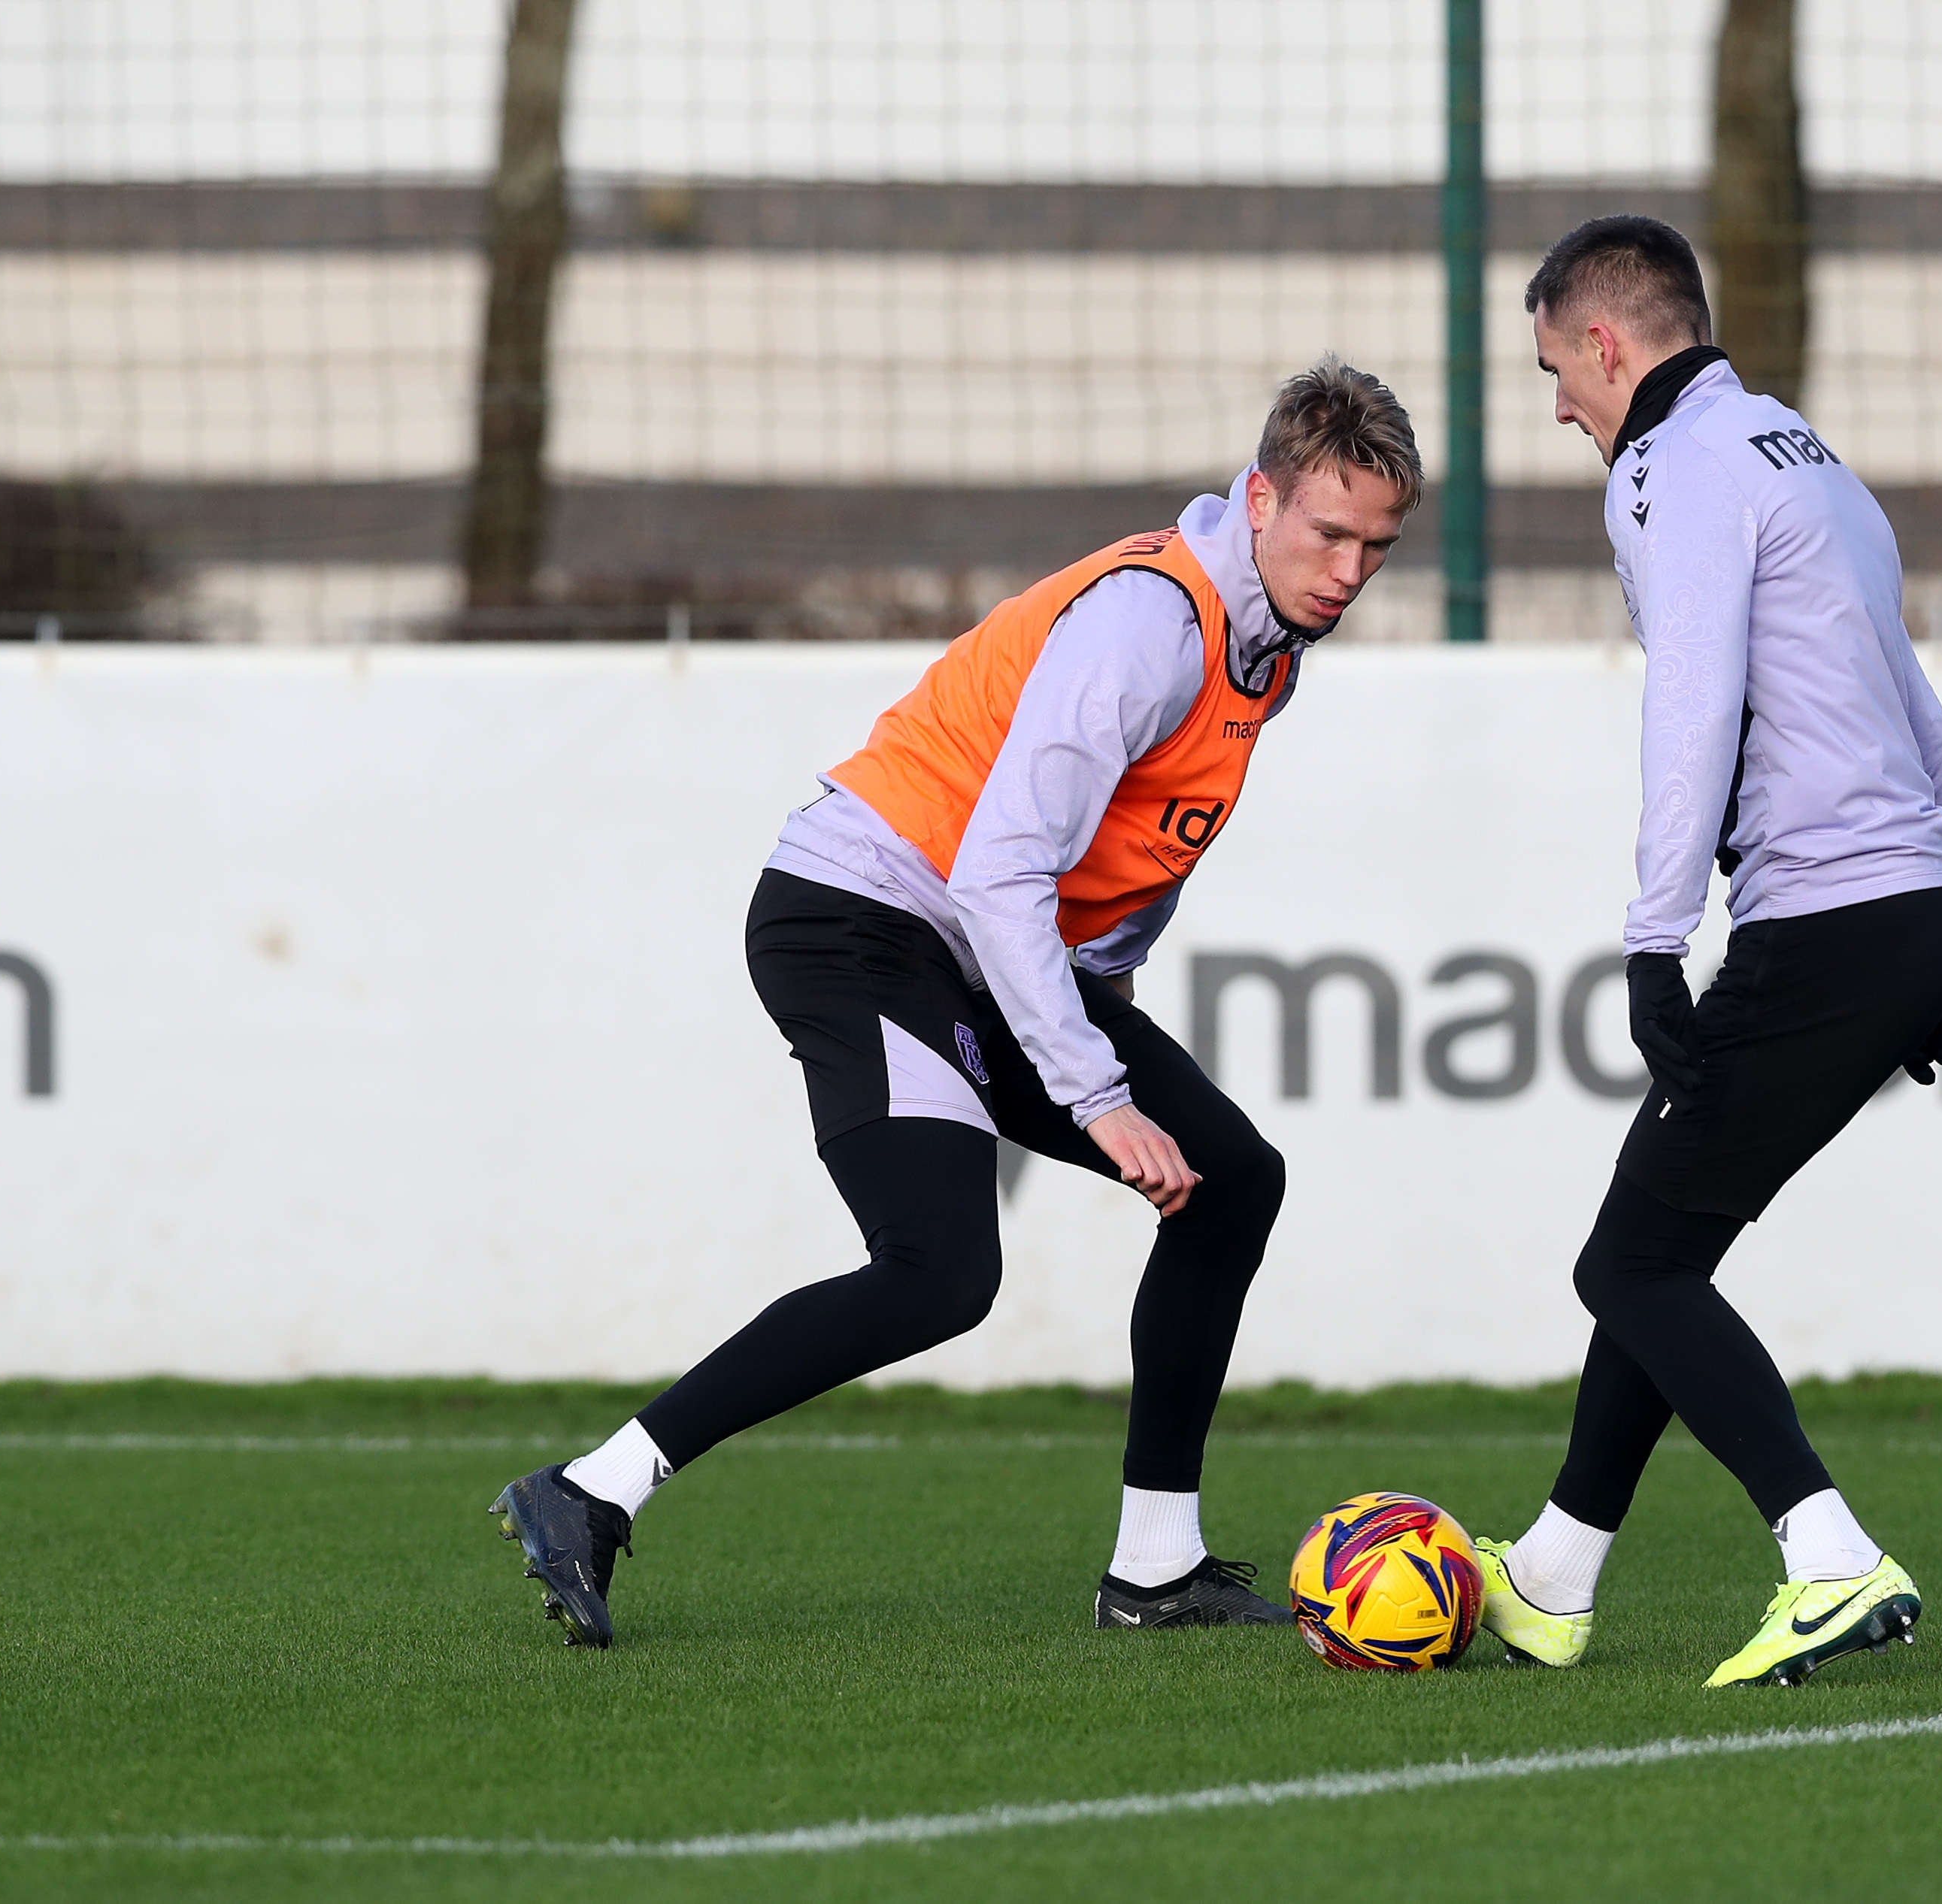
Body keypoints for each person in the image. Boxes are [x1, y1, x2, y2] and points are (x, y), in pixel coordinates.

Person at [489, 360, 1422, 1648]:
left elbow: (1130, 848)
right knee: (939, 1268)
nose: (1349, 570)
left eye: (1377, 545)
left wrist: (1104, 1019)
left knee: (1232, 1179)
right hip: (860, 922)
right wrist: (1096, 1094)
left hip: (985, 946)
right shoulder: (1152, 622)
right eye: (1328, 532)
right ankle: (590, 1488)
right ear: (1258, 499)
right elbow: (999, 867)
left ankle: (1156, 1564)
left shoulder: (1267, 644)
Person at [1471, 217, 1942, 1688]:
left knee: (1630, 1258)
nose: (1557, 402)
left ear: (1608, 344)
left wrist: (1651, 945)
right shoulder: (1807, 457)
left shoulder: (1667, 467)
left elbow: (1687, 705)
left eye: (1555, 367)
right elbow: (1923, 713)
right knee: (1661, 1241)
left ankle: (1827, 1553)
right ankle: (1553, 1577)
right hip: (1906, 912)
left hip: (1825, 916)